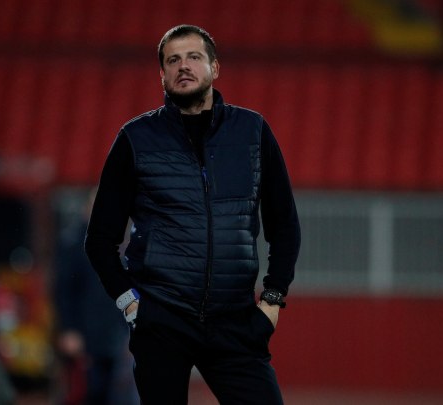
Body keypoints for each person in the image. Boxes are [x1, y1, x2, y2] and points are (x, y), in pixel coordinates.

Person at [85, 24, 301, 404]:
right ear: (162, 74)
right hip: (161, 320)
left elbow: (284, 225)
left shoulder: (253, 132)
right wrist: (131, 304)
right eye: (173, 60)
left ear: (214, 68)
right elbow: (99, 240)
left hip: (235, 320)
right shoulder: (135, 139)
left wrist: (271, 300)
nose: (183, 66)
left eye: (193, 57)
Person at [53, 191, 137, 405]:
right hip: (84, 334)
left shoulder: (118, 243)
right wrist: (68, 329)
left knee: (114, 393)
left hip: (113, 333)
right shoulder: (73, 242)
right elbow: (64, 290)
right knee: (86, 392)